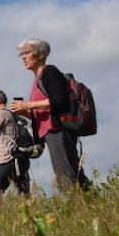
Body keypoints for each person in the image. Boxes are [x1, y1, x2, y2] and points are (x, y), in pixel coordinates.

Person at [11, 39, 90, 190]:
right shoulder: (38, 78)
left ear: (40, 54)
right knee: (73, 170)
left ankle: (72, 207)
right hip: (52, 131)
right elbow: (45, 110)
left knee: (64, 173)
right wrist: (27, 113)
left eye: (27, 52)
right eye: (21, 54)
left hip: (58, 130)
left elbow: (59, 100)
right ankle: (89, 202)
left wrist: (28, 105)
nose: (23, 57)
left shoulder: (49, 72)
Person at [0, 90, 30, 212]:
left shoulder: (0, 114)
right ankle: (31, 217)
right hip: (18, 157)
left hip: (7, 158)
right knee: (23, 190)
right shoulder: (11, 114)